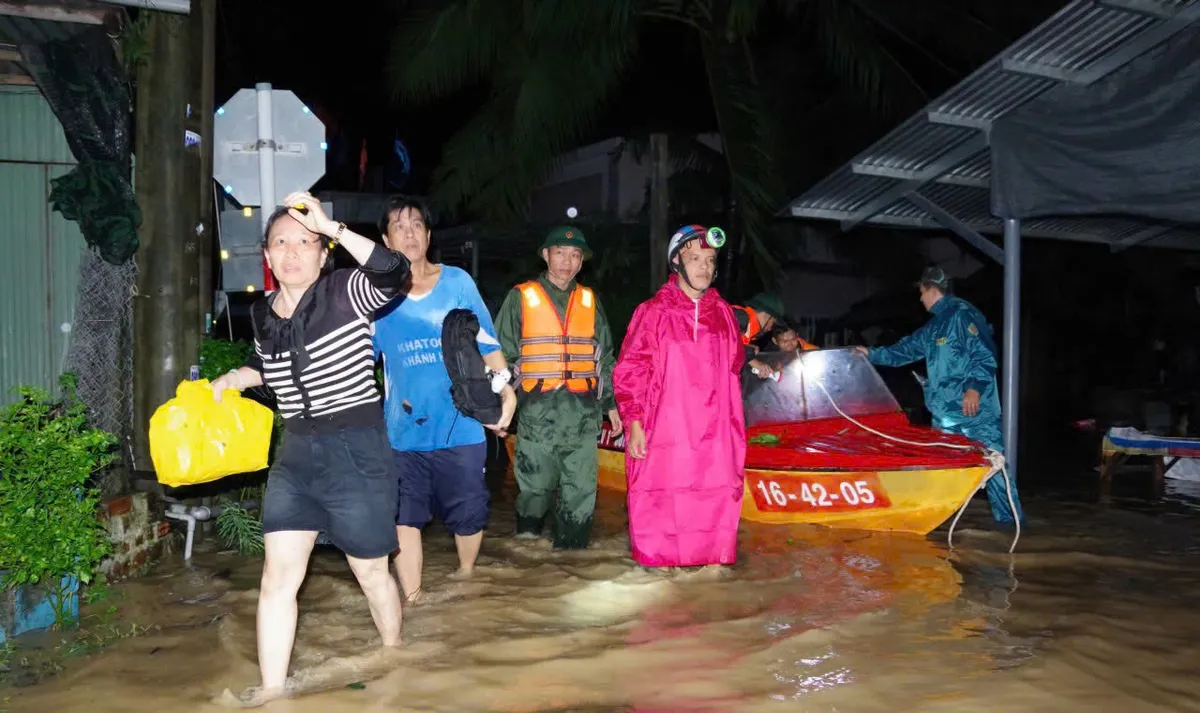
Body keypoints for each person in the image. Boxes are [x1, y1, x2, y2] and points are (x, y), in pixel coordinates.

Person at [209, 191, 410, 705]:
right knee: (277, 574)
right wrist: (237, 375)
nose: (293, 251)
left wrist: (333, 226)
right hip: (296, 452)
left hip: (357, 450)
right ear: (268, 258)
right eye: (282, 242)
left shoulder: (348, 291)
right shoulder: (263, 314)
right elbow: (267, 368)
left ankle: (395, 657)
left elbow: (394, 273)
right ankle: (272, 691)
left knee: (370, 570)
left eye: (305, 241)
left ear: (323, 255)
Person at [372, 195, 516, 604]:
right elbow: (360, 358)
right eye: (399, 226)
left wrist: (505, 388)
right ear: (385, 239)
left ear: (429, 234)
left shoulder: (457, 282)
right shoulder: (375, 296)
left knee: (469, 511)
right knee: (405, 517)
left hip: (462, 424)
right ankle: (414, 599)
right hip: (403, 433)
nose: (410, 232)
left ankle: (466, 581)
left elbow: (486, 339)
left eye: (416, 224)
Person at [612, 224, 745, 567]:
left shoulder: (724, 315)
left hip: (715, 433)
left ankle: (712, 574)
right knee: (661, 501)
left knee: (715, 499)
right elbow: (630, 369)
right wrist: (635, 421)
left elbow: (734, 367)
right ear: (676, 263)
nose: (704, 266)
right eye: (695, 258)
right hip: (667, 428)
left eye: (710, 259)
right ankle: (660, 575)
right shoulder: (653, 312)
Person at [854, 266, 1025, 525]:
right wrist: (871, 353)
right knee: (942, 471)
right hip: (945, 414)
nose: (920, 299)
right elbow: (905, 350)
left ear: (931, 289)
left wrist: (973, 388)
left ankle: (1011, 525)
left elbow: (984, 354)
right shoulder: (934, 326)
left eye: (921, 293)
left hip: (974, 412)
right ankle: (936, 523)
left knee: (994, 468)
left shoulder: (962, 314)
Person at [494, 226, 621, 549]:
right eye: (560, 253)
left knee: (580, 495)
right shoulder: (520, 297)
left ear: (582, 263)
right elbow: (499, 355)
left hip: (582, 418)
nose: (567, 261)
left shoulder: (590, 301)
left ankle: (571, 559)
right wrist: (500, 406)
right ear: (546, 255)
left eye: (575, 255)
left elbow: (604, 357)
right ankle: (527, 556)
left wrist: (611, 405)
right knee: (534, 491)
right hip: (537, 416)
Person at [732, 292, 785, 380]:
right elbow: (722, 344)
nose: (770, 328)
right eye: (772, 323)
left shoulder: (748, 329)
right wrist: (752, 359)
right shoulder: (740, 317)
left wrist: (748, 349)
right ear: (766, 315)